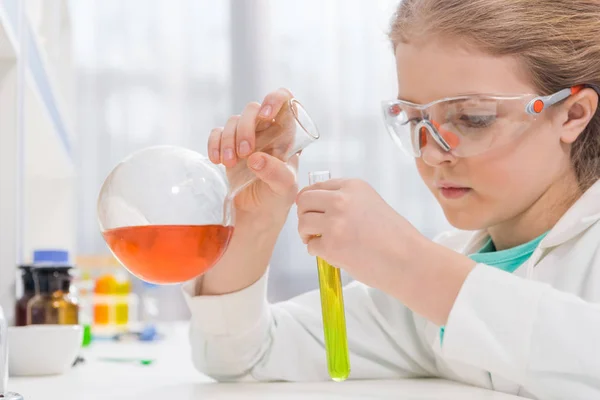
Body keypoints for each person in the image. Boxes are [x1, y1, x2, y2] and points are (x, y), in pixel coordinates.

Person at [182, 0, 600, 398]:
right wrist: (254, 217)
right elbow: (242, 356)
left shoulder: (427, 276)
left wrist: (407, 262)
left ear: (572, 114)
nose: (432, 153)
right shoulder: (435, 285)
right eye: (414, 119)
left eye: (474, 118)